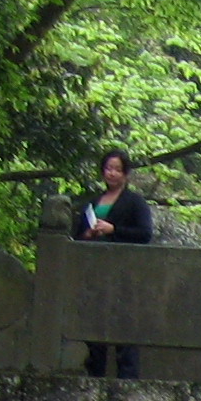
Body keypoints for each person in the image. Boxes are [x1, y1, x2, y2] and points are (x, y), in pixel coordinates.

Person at [73, 147, 154, 377]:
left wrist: (113, 229)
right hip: (95, 273)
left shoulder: (135, 202)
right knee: (94, 326)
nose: (112, 174)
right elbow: (77, 234)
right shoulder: (93, 202)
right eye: (108, 169)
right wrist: (87, 235)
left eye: (117, 169)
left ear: (125, 173)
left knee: (124, 327)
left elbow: (144, 234)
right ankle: (94, 374)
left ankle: (127, 379)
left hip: (124, 273)